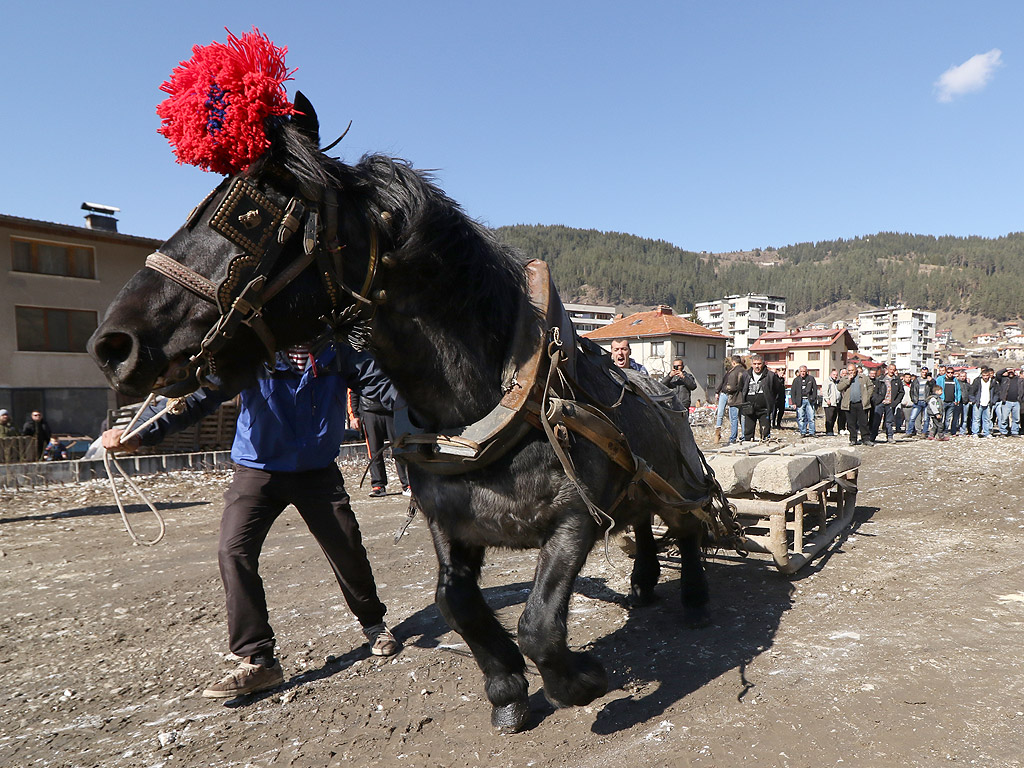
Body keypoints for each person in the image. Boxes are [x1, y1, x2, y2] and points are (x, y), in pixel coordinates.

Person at [102, 340, 402, 699]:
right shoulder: (251, 353)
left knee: (345, 545)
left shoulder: (336, 350)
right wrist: (140, 435)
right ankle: (257, 659)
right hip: (257, 473)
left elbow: (382, 386)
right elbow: (200, 398)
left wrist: (426, 407)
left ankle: (373, 624)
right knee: (234, 552)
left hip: (316, 471)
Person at [350, 390, 411, 497]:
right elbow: (352, 390)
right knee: (374, 451)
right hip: (369, 411)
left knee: (400, 447)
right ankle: (378, 485)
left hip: (392, 410)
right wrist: (354, 415)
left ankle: (408, 484)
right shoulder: (361, 372)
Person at [738, 355, 778, 443]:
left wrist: (772, 402)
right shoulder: (746, 375)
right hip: (749, 408)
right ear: (751, 364)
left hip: (764, 408)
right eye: (755, 364)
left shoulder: (770, 376)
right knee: (748, 432)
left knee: (765, 432)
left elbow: (776, 390)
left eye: (759, 364)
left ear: (763, 364)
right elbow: (741, 388)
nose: (757, 366)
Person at [837, 363, 874, 446]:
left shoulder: (863, 377)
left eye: (852, 370)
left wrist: (867, 397)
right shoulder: (845, 378)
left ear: (856, 370)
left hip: (861, 404)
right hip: (849, 404)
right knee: (851, 423)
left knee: (863, 423)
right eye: (849, 370)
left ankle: (866, 439)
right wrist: (848, 380)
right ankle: (853, 439)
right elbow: (839, 388)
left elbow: (871, 387)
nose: (851, 372)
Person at [871, 363, 903, 443]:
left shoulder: (897, 380)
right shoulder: (881, 379)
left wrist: (896, 402)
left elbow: (901, 392)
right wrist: (877, 400)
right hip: (880, 402)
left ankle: (890, 436)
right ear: (887, 370)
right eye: (890, 369)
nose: (892, 371)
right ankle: (872, 436)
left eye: (893, 370)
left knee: (889, 422)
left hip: (891, 403)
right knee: (876, 420)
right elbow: (875, 391)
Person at [722, 355, 747, 445]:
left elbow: (731, 387)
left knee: (734, 419)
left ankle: (733, 438)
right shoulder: (745, 371)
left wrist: (725, 388)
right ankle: (745, 436)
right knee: (743, 418)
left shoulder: (733, 372)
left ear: (733, 362)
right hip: (744, 399)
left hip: (734, 399)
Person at [789, 365, 818, 437]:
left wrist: (813, 398)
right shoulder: (796, 380)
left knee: (811, 417)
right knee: (800, 417)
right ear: (799, 372)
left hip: (809, 401)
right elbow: (793, 392)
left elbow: (814, 390)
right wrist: (794, 402)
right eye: (801, 371)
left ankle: (812, 432)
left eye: (804, 371)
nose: (802, 373)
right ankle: (803, 432)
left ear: (807, 371)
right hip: (800, 401)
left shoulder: (811, 379)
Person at [994, 367, 1022, 436]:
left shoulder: (1018, 379)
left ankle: (1015, 432)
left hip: (1016, 402)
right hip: (1006, 401)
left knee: (1016, 418)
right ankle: (1004, 432)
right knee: (1004, 418)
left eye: (1012, 372)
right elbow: (998, 374)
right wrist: (1006, 369)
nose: (1011, 373)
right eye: (1009, 372)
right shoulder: (1004, 379)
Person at [969, 367, 996, 438]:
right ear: (981, 375)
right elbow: (971, 392)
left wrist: (993, 401)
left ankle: (986, 432)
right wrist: (974, 401)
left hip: (988, 403)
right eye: (984, 376)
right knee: (976, 419)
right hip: (978, 403)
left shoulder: (993, 382)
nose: (985, 377)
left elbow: (997, 392)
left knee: (987, 419)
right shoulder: (977, 381)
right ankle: (975, 432)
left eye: (987, 375)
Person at [934, 365, 961, 436]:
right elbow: (936, 389)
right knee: (940, 417)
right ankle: (939, 431)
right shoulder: (940, 379)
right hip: (943, 401)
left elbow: (958, 390)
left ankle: (945, 431)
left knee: (948, 418)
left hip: (951, 402)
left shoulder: (955, 380)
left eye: (952, 373)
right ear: (946, 373)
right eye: (948, 372)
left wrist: (957, 399)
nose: (950, 374)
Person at [905, 367, 931, 438]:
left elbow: (933, 389)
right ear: (921, 372)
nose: (924, 373)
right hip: (917, 401)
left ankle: (924, 433)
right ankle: (909, 432)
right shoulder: (916, 380)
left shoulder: (930, 380)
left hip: (926, 401)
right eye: (923, 372)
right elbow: (912, 390)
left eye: (925, 372)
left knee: (926, 419)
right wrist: (913, 399)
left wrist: (931, 381)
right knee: (912, 418)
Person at [713, 359, 732, 444]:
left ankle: (733, 435)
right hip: (724, 394)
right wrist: (717, 392)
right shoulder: (727, 374)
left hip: (732, 394)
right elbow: (722, 383)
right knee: (720, 413)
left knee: (732, 415)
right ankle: (717, 433)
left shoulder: (739, 373)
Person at [822, 368, 841, 437]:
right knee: (829, 418)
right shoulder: (827, 382)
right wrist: (827, 400)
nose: (835, 376)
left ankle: (831, 430)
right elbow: (824, 391)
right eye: (834, 374)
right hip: (829, 403)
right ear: (831, 374)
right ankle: (828, 431)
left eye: (836, 375)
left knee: (834, 417)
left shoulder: (836, 382)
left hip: (835, 403)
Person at [954, 369, 971, 436]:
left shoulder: (967, 384)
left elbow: (970, 392)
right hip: (958, 402)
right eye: (961, 376)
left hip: (966, 402)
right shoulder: (957, 383)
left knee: (964, 418)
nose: (962, 377)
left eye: (964, 376)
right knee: (956, 417)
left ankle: (962, 431)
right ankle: (954, 430)